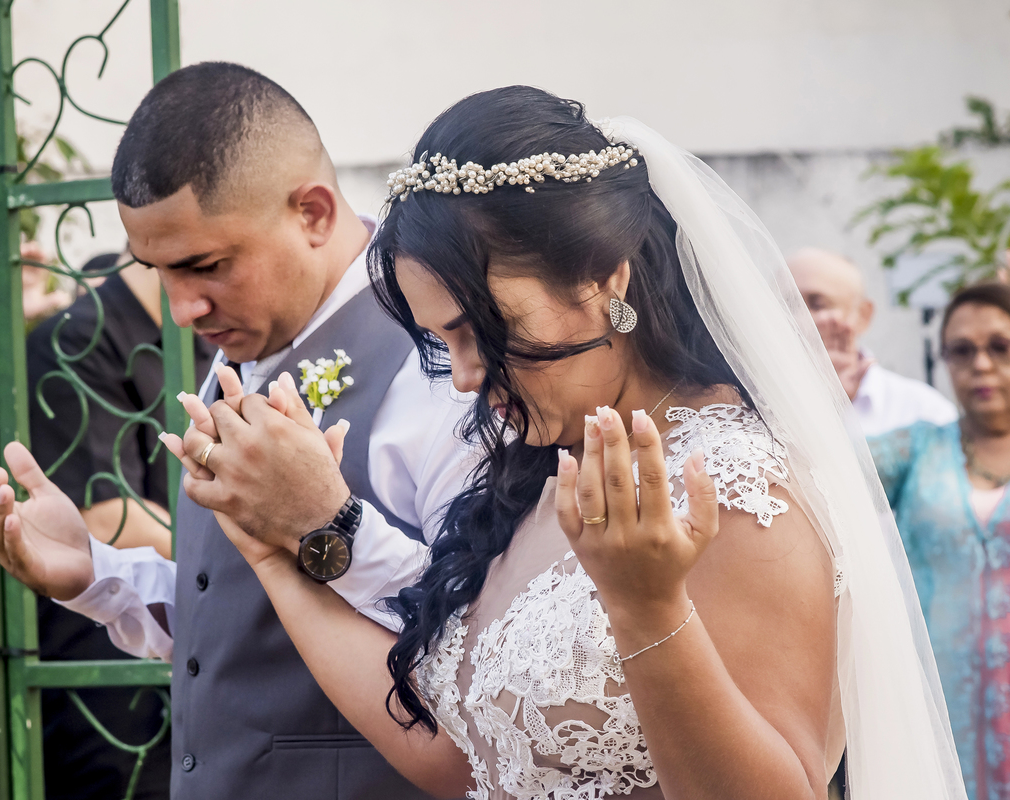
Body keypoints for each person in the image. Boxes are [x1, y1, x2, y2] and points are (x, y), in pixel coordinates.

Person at [163, 87, 966, 799]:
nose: (468, 378)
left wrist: (647, 609)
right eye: (446, 341)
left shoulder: (737, 484)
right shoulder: (540, 473)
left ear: (604, 279)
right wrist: (274, 552)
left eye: (487, 330)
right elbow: (460, 761)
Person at [0, 62, 472, 800]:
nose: (182, 310)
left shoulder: (436, 363)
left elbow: (478, 648)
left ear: (313, 213)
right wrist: (97, 574)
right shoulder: (251, 339)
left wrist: (324, 526)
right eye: (159, 271)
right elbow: (238, 622)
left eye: (206, 266)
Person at [26, 251, 213, 798]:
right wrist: (253, 543)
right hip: (109, 685)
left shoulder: (219, 342)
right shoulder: (72, 341)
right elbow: (107, 515)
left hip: (199, 654)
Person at [869, 282, 1010, 799]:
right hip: (938, 711)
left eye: (1000, 346)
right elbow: (816, 473)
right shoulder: (917, 449)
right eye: (962, 350)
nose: (981, 364)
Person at [787, 247, 957, 436]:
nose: (796, 318)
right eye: (785, 303)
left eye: (817, 305)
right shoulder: (755, 407)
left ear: (863, 315)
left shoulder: (922, 410)